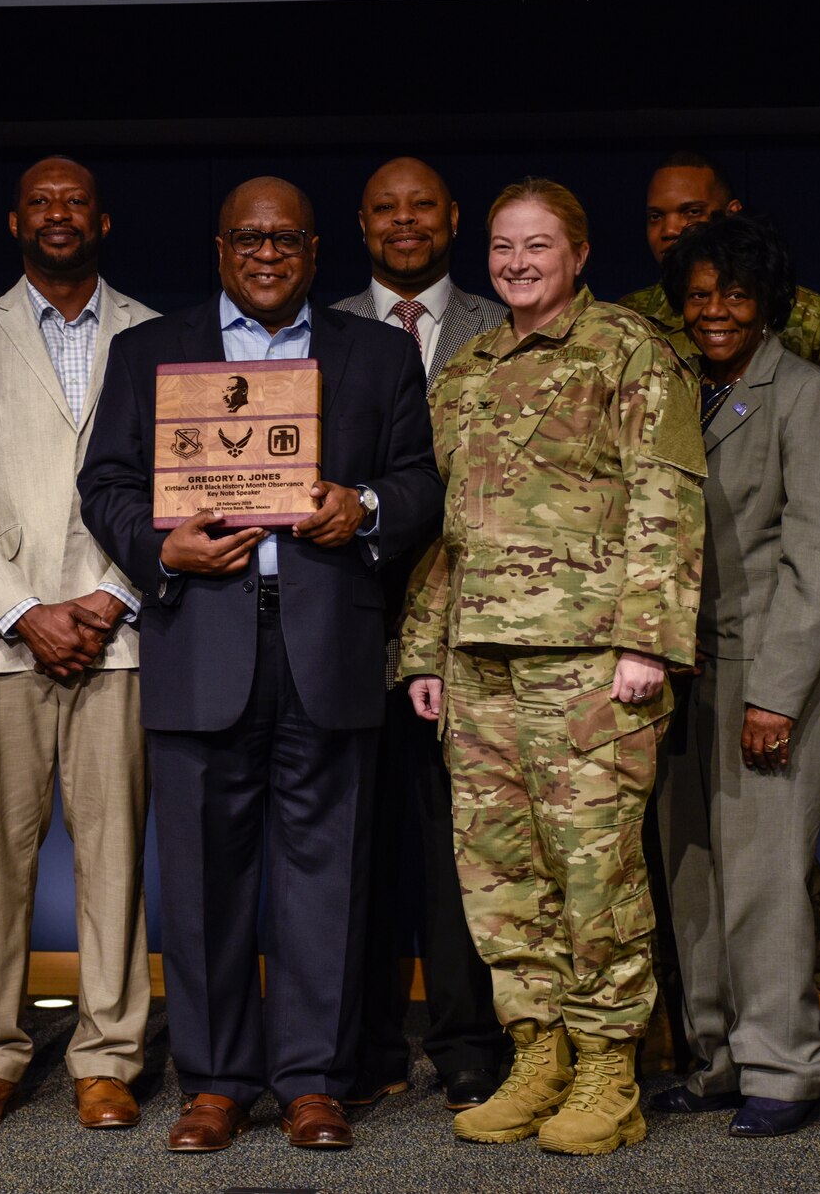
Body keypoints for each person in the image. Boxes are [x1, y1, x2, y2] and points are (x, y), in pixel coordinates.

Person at [78, 177, 443, 1154]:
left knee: (325, 876)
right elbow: (105, 483)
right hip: (200, 635)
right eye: (249, 236)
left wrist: (360, 507)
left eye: (285, 237)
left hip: (326, 639)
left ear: (316, 250)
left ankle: (312, 1082)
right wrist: (164, 549)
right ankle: (216, 1081)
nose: (267, 252)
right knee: (200, 880)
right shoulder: (149, 351)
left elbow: (418, 481)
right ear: (220, 246)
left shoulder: (375, 354)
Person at [402, 178, 707, 1157]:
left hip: (588, 665)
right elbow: (446, 529)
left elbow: (666, 498)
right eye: (501, 246)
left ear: (576, 253)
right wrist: (425, 649)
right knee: (499, 876)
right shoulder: (464, 370)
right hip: (478, 664)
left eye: (536, 245)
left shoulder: (628, 349)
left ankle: (610, 1068)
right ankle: (537, 1055)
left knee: (595, 875)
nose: (516, 262)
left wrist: (647, 641)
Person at [0, 158, 158, 1133]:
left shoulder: (154, 335)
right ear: (15, 218)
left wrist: (106, 597)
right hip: (2, 643)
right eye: (40, 201)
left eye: (75, 201)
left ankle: (106, 1057)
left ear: (102, 217)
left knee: (113, 862)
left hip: (119, 638)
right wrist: (23, 609)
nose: (58, 214)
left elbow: (168, 491)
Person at [649, 213, 820, 1138]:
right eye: (698, 294)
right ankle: (716, 1052)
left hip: (763, 665)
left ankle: (784, 1064)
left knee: (765, 875)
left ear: (767, 301)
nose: (715, 310)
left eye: (733, 293)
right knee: (691, 872)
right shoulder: (677, 390)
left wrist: (777, 692)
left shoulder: (804, 395)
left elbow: (817, 556)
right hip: (676, 667)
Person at [330, 157, 508, 1112]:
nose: (405, 223)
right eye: (386, 209)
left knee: (460, 848)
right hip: (351, 625)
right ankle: (360, 1043)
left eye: (422, 208)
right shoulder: (321, 334)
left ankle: (468, 1040)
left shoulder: (501, 322)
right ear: (362, 224)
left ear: (452, 219)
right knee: (354, 843)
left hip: (476, 631)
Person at [622, 151, 820, 427]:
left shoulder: (807, 315)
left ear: (732, 213)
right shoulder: (630, 317)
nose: (670, 229)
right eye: (655, 216)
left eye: (692, 212)